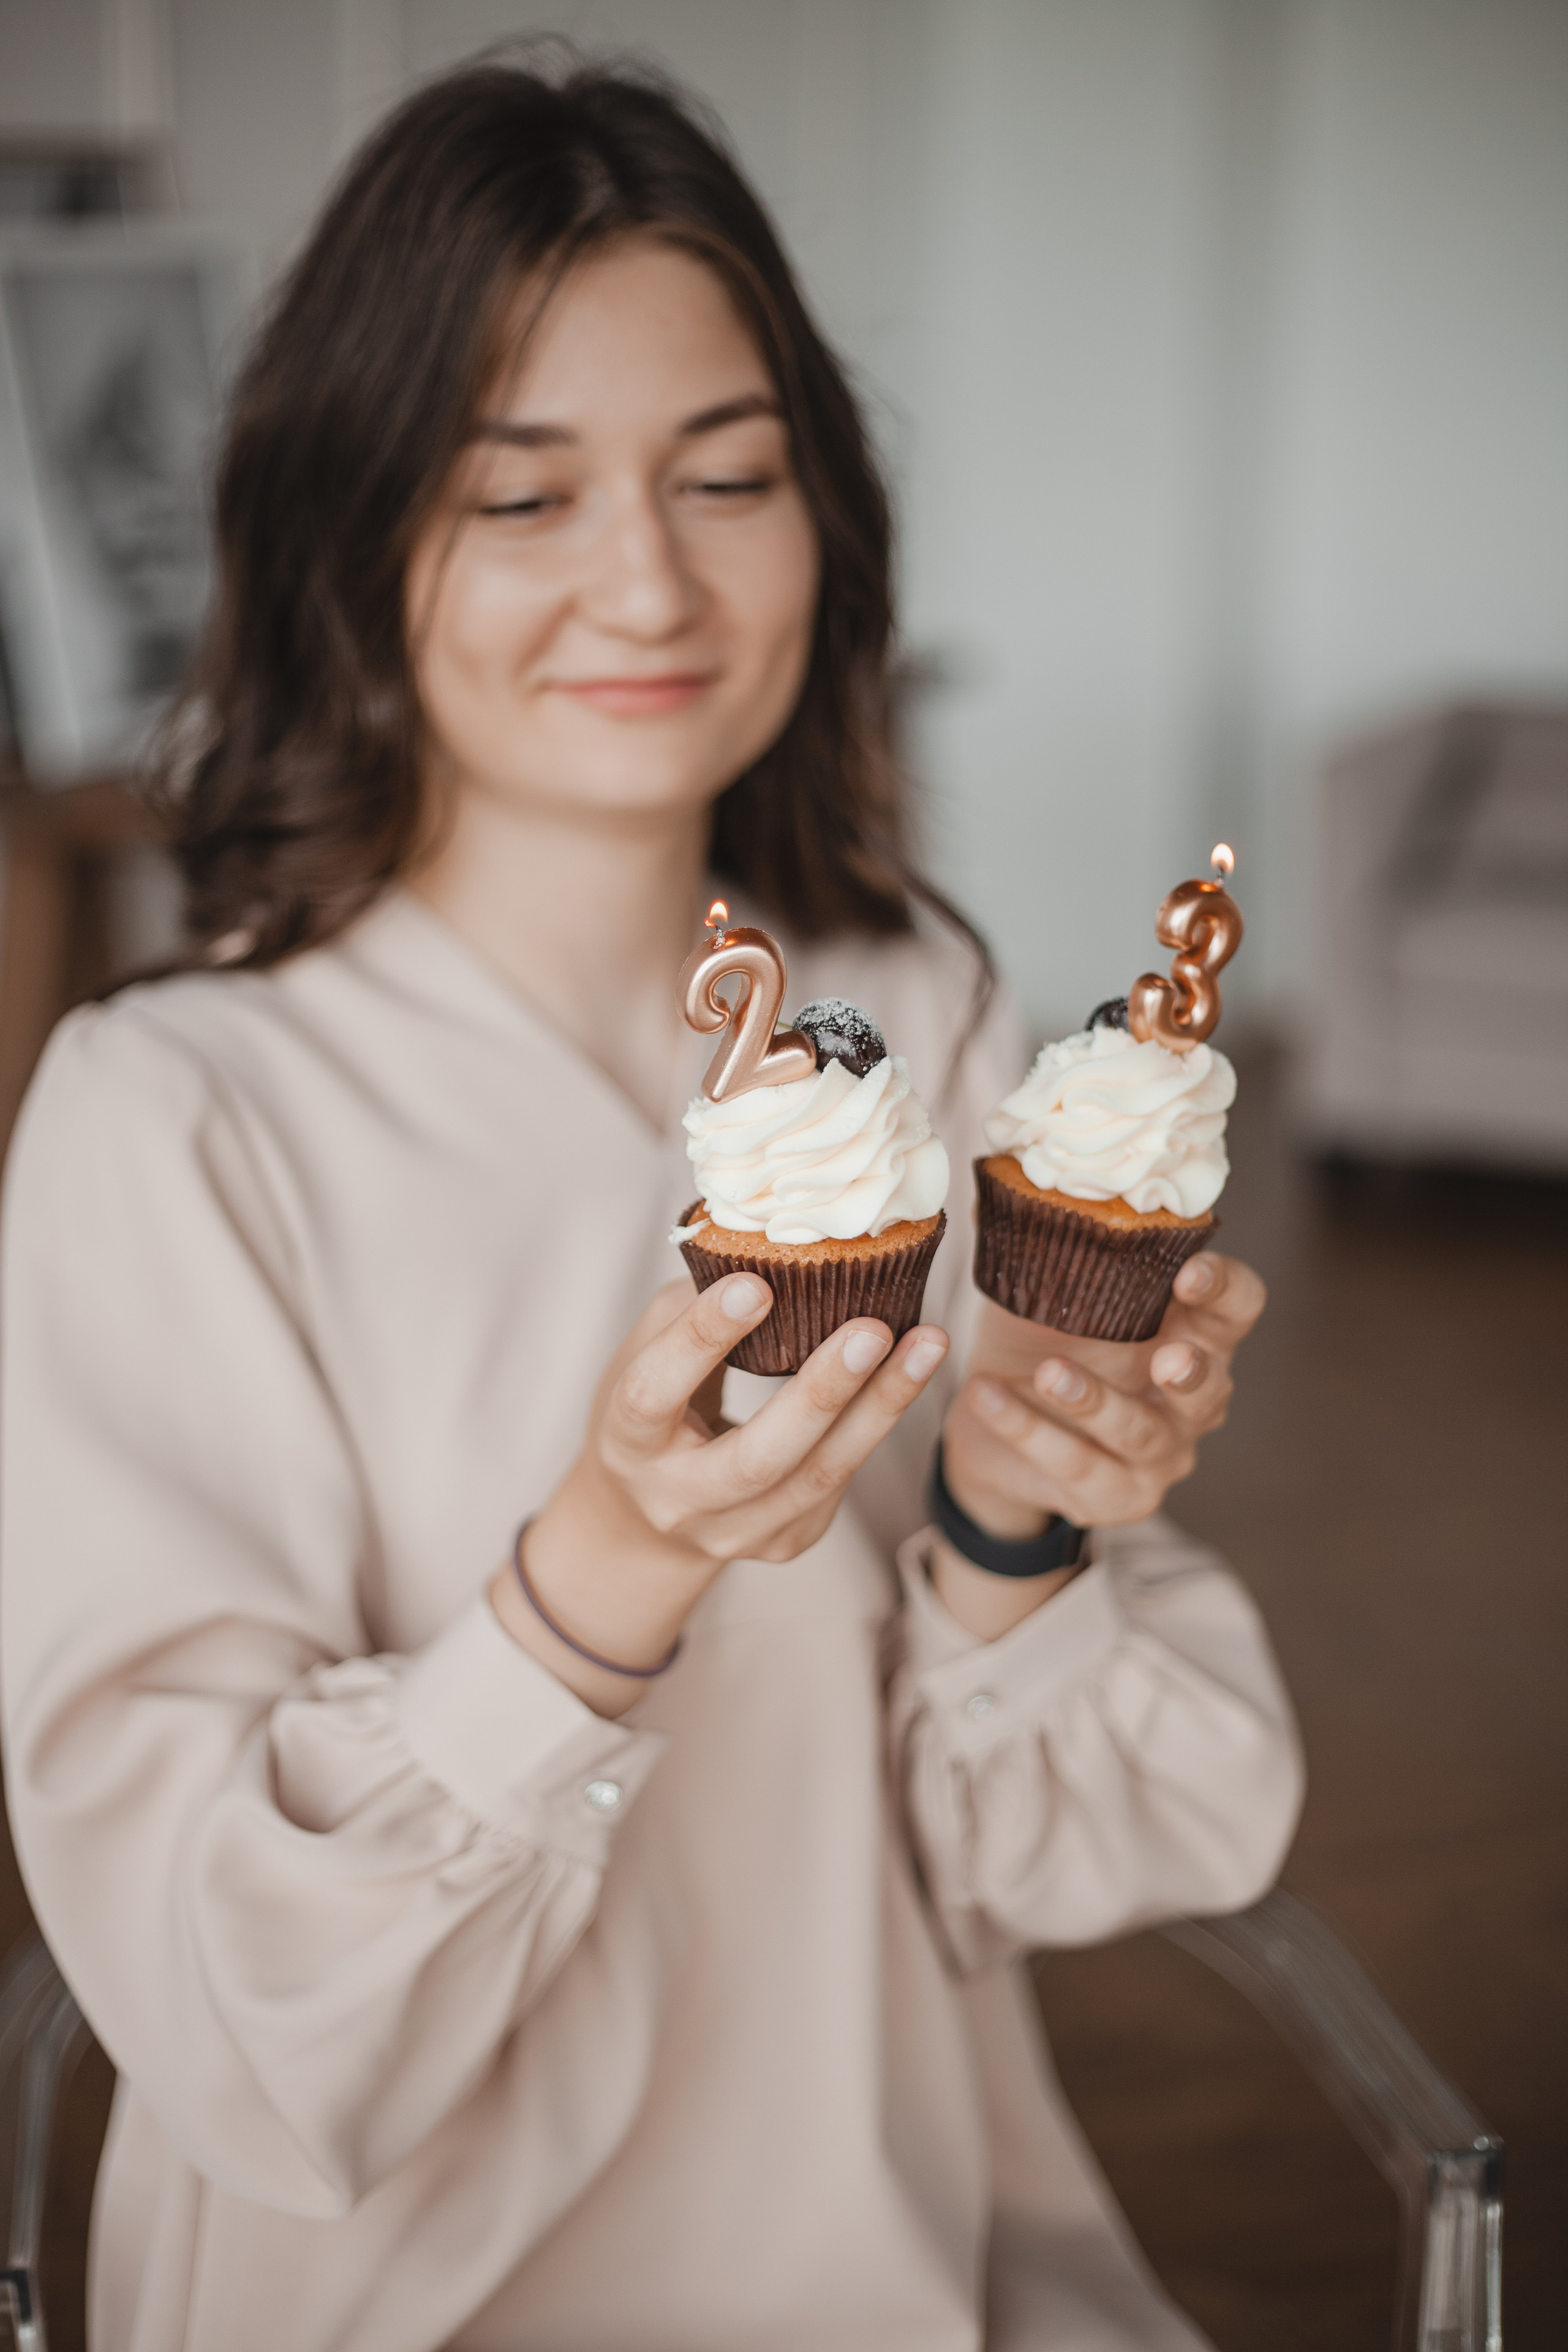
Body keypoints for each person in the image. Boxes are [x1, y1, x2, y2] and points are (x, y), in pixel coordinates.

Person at [0, 59, 1302, 2352]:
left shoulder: (920, 1003)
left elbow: (1067, 1858)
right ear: (349, 537)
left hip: (906, 2255)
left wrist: (1013, 1527)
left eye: (731, 477)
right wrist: (608, 1567)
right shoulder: (173, 1114)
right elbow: (240, 2028)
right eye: (524, 497)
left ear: (832, 521)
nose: (651, 581)